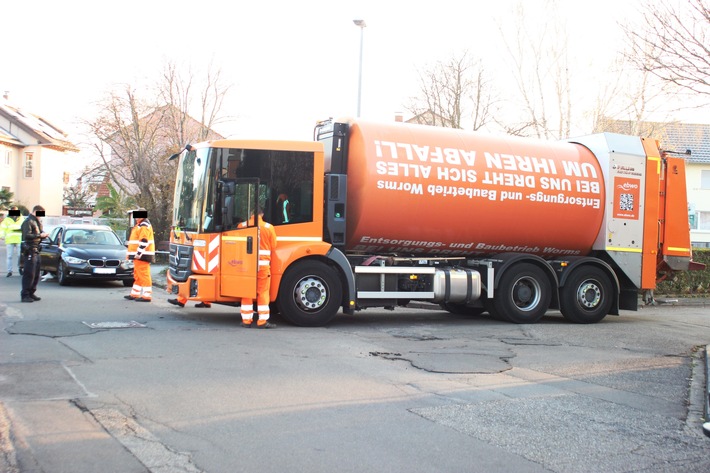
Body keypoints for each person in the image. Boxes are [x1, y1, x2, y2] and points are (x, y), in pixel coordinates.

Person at [240, 208, 277, 328]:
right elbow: (273, 246)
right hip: (263, 265)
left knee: (247, 291)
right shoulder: (269, 227)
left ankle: (246, 320)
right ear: (262, 214)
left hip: (247, 265)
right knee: (263, 292)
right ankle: (262, 321)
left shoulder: (242, 226)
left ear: (250, 214)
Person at [125, 209, 155, 302]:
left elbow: (144, 241)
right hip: (140, 255)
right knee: (138, 275)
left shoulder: (143, 225)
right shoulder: (140, 225)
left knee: (143, 275)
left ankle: (147, 295)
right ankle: (135, 294)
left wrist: (138, 253)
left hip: (142, 255)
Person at [20, 205, 48, 302]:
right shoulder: (28, 221)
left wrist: (43, 235)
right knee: (29, 273)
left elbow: (39, 232)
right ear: (36, 211)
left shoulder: (37, 221)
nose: (41, 216)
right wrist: (39, 235)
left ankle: (31, 292)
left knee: (36, 274)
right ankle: (25, 294)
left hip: (36, 249)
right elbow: (26, 235)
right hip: (30, 249)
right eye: (40, 214)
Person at [1, 206, 25, 277]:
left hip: (19, 239)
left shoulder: (21, 219)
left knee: (19, 255)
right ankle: (9, 271)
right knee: (9, 256)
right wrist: (2, 236)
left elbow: (25, 227)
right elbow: (2, 228)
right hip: (10, 239)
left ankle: (20, 268)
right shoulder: (7, 220)